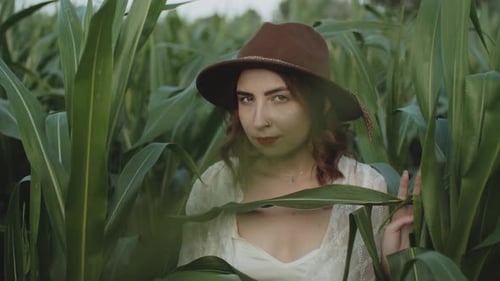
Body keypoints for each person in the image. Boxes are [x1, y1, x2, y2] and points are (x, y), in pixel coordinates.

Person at [178, 22, 419, 281]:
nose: (259, 121)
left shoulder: (363, 189)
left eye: (279, 98)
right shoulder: (213, 186)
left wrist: (395, 268)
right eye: (246, 99)